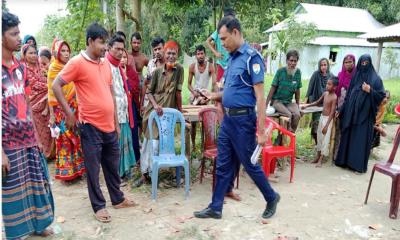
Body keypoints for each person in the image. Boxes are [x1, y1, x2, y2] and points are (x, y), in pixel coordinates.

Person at [194, 17, 280, 220]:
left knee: (249, 164)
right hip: (228, 122)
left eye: (224, 39)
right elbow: (230, 91)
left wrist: (260, 131)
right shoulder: (232, 59)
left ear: (235, 32)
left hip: (243, 122)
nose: (222, 44)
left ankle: (271, 197)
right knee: (223, 164)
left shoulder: (252, 58)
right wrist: (213, 95)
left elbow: (260, 97)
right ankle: (215, 207)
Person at [52, 22, 136, 223]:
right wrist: (69, 113)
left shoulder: (105, 64)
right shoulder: (77, 63)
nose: (105, 47)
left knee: (112, 165)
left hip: (109, 125)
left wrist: (115, 121)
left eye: (106, 43)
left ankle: (117, 198)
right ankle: (98, 206)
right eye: (101, 43)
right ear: (90, 41)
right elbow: (56, 85)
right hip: (90, 126)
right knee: (93, 169)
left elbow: (110, 93)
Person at [2, 11, 54, 239]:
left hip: (29, 138)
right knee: (14, 190)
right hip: (8, 143)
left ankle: (39, 225)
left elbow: (26, 102)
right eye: (14, 34)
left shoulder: (21, 69)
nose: (19, 37)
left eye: (18, 32)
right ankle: (17, 232)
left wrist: (37, 137)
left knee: (37, 183)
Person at [136, 40, 184, 188]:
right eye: (168, 53)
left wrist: (180, 113)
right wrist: (155, 106)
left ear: (177, 55)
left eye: (173, 53)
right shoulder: (156, 72)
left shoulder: (180, 70)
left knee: (161, 142)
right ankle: (145, 173)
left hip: (167, 113)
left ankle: (154, 171)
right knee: (150, 142)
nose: (170, 56)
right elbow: (149, 92)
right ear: (164, 53)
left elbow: (178, 93)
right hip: (154, 112)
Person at [335, 54, 386, 173]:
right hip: (351, 113)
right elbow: (347, 96)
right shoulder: (356, 77)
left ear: (370, 63)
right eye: (361, 63)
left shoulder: (375, 79)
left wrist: (370, 90)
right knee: (349, 137)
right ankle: (344, 162)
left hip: (365, 116)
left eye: (366, 63)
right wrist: (341, 110)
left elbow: (381, 96)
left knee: (360, 140)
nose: (363, 66)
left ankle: (357, 165)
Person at [48, 39, 85, 182]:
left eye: (67, 51)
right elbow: (51, 94)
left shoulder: (72, 66)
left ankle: (79, 170)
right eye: (62, 51)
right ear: (57, 53)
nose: (66, 53)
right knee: (64, 141)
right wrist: (52, 115)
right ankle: (67, 173)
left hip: (75, 109)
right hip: (60, 111)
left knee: (77, 138)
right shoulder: (53, 68)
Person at [106, 35, 136, 179]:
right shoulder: (106, 66)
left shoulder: (118, 66)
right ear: (109, 48)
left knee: (125, 141)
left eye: (122, 49)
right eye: (116, 49)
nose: (119, 52)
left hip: (124, 112)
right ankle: (116, 175)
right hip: (114, 114)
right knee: (116, 146)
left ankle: (125, 172)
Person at [21, 43, 55, 160]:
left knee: (48, 129)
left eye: (35, 53)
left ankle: (51, 153)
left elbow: (47, 78)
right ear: (24, 55)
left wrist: (49, 84)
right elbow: (34, 84)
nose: (34, 55)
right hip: (34, 103)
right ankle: (43, 154)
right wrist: (50, 85)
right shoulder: (23, 69)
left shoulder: (40, 66)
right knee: (40, 131)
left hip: (46, 101)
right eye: (30, 53)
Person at [206, 9, 235, 122]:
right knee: (219, 88)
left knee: (229, 89)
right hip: (222, 64)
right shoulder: (219, 31)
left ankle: (226, 115)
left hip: (231, 64)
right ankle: (218, 116)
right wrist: (215, 53)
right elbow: (208, 41)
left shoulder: (234, 33)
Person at [302, 77, 338, 167]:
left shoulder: (334, 97)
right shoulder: (325, 93)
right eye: (327, 84)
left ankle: (321, 160)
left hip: (327, 120)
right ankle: (317, 156)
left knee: (325, 139)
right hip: (322, 117)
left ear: (334, 87)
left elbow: (332, 112)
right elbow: (317, 102)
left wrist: (326, 125)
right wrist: (307, 105)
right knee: (319, 137)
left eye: (329, 84)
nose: (327, 85)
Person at [187, 44, 216, 151]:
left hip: (205, 95)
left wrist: (209, 97)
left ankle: (206, 146)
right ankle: (194, 146)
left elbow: (214, 84)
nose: (200, 56)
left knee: (206, 123)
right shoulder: (192, 67)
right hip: (195, 96)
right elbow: (189, 84)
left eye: (202, 53)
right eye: (198, 54)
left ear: (205, 54)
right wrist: (194, 92)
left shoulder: (210, 66)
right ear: (195, 56)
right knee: (193, 123)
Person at [265, 50, 302, 132]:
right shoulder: (280, 71)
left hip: (288, 102)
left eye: (295, 61)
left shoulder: (298, 73)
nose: (293, 63)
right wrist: (266, 104)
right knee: (288, 115)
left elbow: (297, 90)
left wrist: (298, 105)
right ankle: (284, 134)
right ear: (287, 61)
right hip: (277, 101)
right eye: (291, 60)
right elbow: (273, 88)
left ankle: (291, 134)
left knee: (297, 115)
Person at [332, 54, 356, 158]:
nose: (348, 64)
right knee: (339, 130)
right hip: (340, 107)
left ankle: (347, 156)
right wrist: (337, 108)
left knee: (349, 131)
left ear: (354, 63)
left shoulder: (357, 76)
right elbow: (337, 92)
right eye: (346, 62)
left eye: (350, 62)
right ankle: (337, 155)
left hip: (352, 108)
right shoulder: (340, 75)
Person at [120, 49, 141, 164]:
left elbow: (135, 88)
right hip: (119, 107)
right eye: (121, 57)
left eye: (125, 57)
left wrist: (127, 79)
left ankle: (136, 158)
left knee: (133, 130)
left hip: (131, 104)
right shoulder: (114, 71)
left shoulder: (131, 71)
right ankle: (125, 161)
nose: (123, 60)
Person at [305, 58, 333, 144]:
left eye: (325, 65)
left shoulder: (331, 75)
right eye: (321, 65)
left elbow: (334, 88)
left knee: (324, 125)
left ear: (327, 66)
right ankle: (317, 143)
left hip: (326, 104)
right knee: (315, 126)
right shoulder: (316, 74)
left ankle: (322, 145)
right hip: (316, 103)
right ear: (319, 66)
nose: (323, 67)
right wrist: (306, 100)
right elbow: (310, 87)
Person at [142, 37, 165, 111]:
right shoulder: (151, 64)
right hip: (151, 100)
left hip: (165, 100)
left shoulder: (169, 64)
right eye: (155, 50)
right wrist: (142, 103)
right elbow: (146, 84)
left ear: (164, 48)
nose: (157, 52)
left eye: (159, 48)